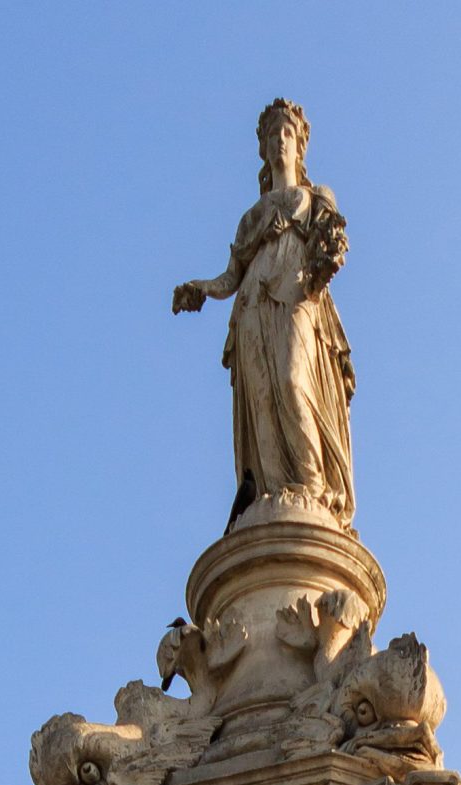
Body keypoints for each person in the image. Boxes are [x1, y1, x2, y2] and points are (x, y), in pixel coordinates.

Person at [173, 97, 355, 528]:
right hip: (252, 303)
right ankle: (271, 493)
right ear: (263, 148)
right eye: (272, 135)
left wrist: (322, 268)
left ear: (299, 146)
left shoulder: (314, 198)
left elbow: (333, 248)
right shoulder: (251, 218)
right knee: (261, 397)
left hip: (296, 295)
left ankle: (309, 490)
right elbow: (230, 276)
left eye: (287, 134)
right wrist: (200, 289)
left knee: (293, 382)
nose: (279, 142)